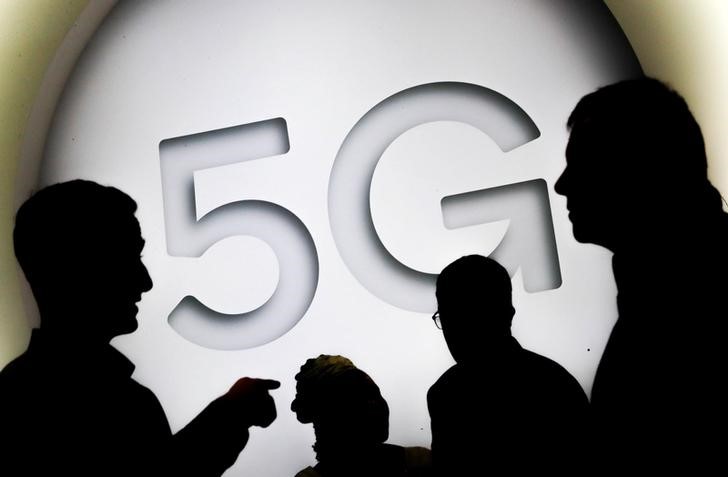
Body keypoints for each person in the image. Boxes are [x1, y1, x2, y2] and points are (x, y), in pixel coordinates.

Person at [0, 180, 280, 476]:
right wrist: (229, 416)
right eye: (126, 258)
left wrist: (229, 415)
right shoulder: (121, 406)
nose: (145, 281)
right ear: (75, 270)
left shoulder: (15, 396)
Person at [554, 77, 728, 470]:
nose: (562, 185)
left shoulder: (674, 309)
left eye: (580, 164)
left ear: (633, 168)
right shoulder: (662, 293)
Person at [427, 255, 588, 475]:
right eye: (448, 316)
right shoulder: (554, 383)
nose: (455, 329)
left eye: (466, 314)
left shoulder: (444, 393)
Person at [291, 354, 431, 477]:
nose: (375, 405)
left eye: (372, 395)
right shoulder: (418, 461)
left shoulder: (419, 462)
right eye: (350, 399)